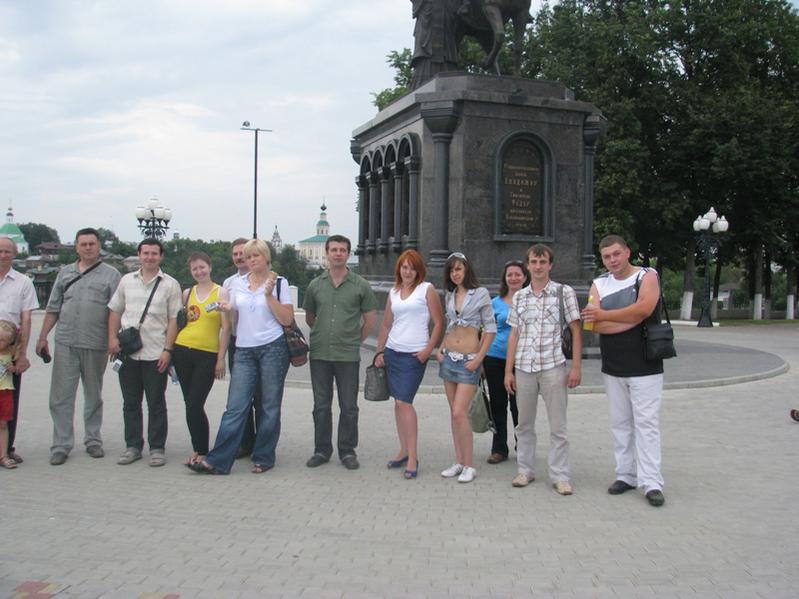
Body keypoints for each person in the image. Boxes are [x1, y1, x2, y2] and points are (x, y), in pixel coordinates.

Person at [191, 239, 293, 475]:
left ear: (266, 258)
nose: (252, 260)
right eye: (248, 257)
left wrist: (269, 296)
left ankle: (264, 456)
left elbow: (287, 319)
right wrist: (226, 308)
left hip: (273, 348)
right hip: (244, 349)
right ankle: (218, 459)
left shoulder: (279, 283)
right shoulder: (237, 284)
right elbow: (233, 313)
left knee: (269, 405)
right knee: (235, 406)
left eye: (256, 255)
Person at [582, 234, 666, 507]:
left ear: (627, 252)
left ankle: (651, 482)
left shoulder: (647, 275)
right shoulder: (599, 283)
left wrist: (606, 315)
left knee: (646, 424)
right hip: (613, 364)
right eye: (607, 256)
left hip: (645, 364)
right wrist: (629, 318)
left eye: (616, 254)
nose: (612, 260)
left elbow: (645, 308)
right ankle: (626, 474)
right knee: (620, 423)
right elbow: (590, 325)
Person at [36, 228, 122, 466]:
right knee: (61, 396)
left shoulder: (111, 275)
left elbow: (115, 311)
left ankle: (93, 440)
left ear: (98, 246)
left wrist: (113, 339)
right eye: (83, 244)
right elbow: (53, 307)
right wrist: (42, 336)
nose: (87, 248)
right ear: (76, 247)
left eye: (92, 244)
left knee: (93, 394)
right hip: (66, 342)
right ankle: (61, 444)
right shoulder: (65, 273)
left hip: (95, 344)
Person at [504, 244, 582, 495]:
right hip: (524, 367)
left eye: (543, 262)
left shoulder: (563, 292)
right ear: (528, 266)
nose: (538, 266)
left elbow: (576, 330)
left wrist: (576, 367)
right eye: (534, 262)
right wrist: (509, 370)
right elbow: (514, 334)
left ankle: (560, 475)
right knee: (523, 424)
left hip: (553, 367)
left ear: (550, 265)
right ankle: (525, 470)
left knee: (558, 426)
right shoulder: (520, 296)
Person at [303, 234, 378, 470]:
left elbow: (369, 320)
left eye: (342, 250)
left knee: (349, 406)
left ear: (348, 253)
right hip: (320, 355)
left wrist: (354, 339)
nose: (338, 254)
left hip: (347, 355)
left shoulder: (360, 285)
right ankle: (321, 450)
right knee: (321, 406)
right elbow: (310, 317)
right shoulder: (316, 285)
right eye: (334, 249)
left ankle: (347, 451)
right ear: (327, 253)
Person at [108, 238, 182, 467]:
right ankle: (133, 446)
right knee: (130, 402)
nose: (150, 257)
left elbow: (174, 320)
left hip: (155, 353)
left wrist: (168, 350)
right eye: (146, 253)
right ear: (139, 255)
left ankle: (157, 447)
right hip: (128, 353)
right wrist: (112, 337)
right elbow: (115, 311)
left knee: (156, 403)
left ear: (161, 256)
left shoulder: (170, 284)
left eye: (154, 253)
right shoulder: (126, 281)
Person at [374, 250, 444, 479]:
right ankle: (403, 450)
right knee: (398, 403)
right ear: (399, 269)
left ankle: (413, 456)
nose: (408, 272)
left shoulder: (427, 290)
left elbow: (439, 322)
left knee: (405, 402)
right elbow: (386, 324)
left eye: (412, 268)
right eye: (404, 267)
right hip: (393, 352)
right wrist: (380, 351)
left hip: (415, 356)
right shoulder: (393, 292)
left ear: (418, 270)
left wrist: (427, 351)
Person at [436, 252, 496, 483]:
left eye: (459, 269)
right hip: (449, 357)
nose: (455, 273)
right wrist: (440, 349)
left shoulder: (479, 294)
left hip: (469, 359)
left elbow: (490, 328)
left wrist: (479, 358)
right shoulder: (450, 295)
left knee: (461, 412)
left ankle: (470, 465)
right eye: (452, 270)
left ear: (467, 270)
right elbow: (450, 326)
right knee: (454, 414)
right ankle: (459, 461)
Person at [173, 251, 231, 467]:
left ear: (210, 267)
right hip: (182, 351)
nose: (199, 272)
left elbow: (226, 328)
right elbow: (178, 322)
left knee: (196, 403)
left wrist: (221, 358)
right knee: (190, 404)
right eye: (194, 269)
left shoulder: (221, 292)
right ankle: (198, 450)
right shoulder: (187, 293)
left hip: (207, 355)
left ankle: (203, 451)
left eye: (202, 267)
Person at [483, 259, 529, 465]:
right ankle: (499, 448)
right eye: (510, 274)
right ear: (505, 278)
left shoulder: (530, 301)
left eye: (518, 274)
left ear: (525, 277)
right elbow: (485, 332)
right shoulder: (495, 303)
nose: (514, 278)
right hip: (495, 359)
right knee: (498, 405)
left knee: (520, 406)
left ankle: (524, 446)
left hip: (522, 361)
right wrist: (480, 359)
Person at [222, 237, 262, 459]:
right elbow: (226, 321)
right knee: (240, 397)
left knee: (262, 397)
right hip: (237, 343)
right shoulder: (228, 284)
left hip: (261, 344)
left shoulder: (264, 279)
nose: (239, 257)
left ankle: (262, 444)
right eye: (236, 254)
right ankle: (245, 442)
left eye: (243, 253)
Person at [0, 236, 38, 465]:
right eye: (0, 251)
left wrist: (23, 354)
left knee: (8, 399)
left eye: (7, 251)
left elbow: (26, 318)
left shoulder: (23, 282)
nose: (3, 255)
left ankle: (7, 447)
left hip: (10, 351)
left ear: (15, 254)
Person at [0, 320, 19, 469]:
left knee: (3, 424)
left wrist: (12, 368)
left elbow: (19, 368)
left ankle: (4, 455)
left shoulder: (10, 353)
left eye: (2, 340)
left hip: (5, 392)